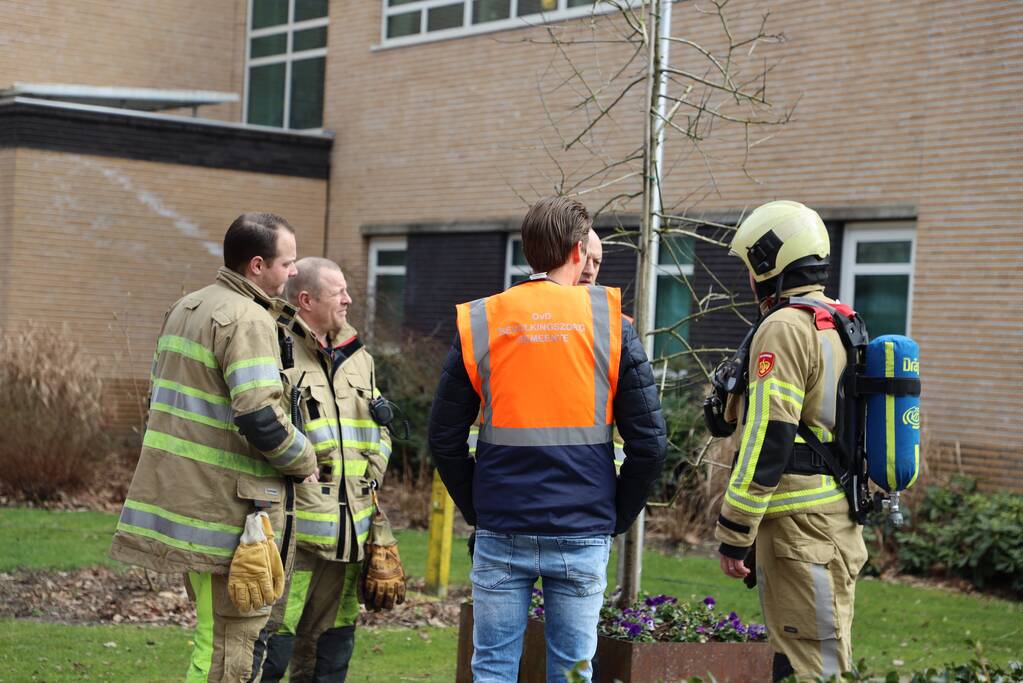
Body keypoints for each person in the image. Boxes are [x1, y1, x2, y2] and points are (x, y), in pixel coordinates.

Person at [428, 196, 667, 682]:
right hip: (582, 528)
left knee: (493, 667)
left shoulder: (483, 322)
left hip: (503, 524)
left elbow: (444, 437)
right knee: (573, 670)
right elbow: (651, 444)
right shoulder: (611, 325)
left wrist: (479, 507)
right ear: (580, 250)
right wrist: (615, 515)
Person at [110, 212, 318, 682]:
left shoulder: (188, 307)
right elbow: (260, 416)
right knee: (233, 645)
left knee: (211, 635)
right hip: (231, 509)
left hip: (192, 502)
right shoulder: (247, 319)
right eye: (287, 262)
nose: (293, 272)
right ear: (258, 265)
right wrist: (305, 460)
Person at [714, 201, 868, 681]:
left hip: (803, 531)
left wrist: (734, 534)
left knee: (813, 667)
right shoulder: (838, 320)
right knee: (807, 655)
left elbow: (767, 440)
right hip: (827, 522)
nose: (748, 279)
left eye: (750, 267)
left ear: (769, 263)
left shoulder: (784, 327)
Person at [261, 257, 402, 683]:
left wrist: (372, 473)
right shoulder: (273, 347)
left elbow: (381, 428)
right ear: (305, 299)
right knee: (273, 644)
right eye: (338, 291)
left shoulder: (360, 358)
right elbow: (262, 426)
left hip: (350, 536)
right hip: (295, 536)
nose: (348, 299)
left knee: (331, 648)